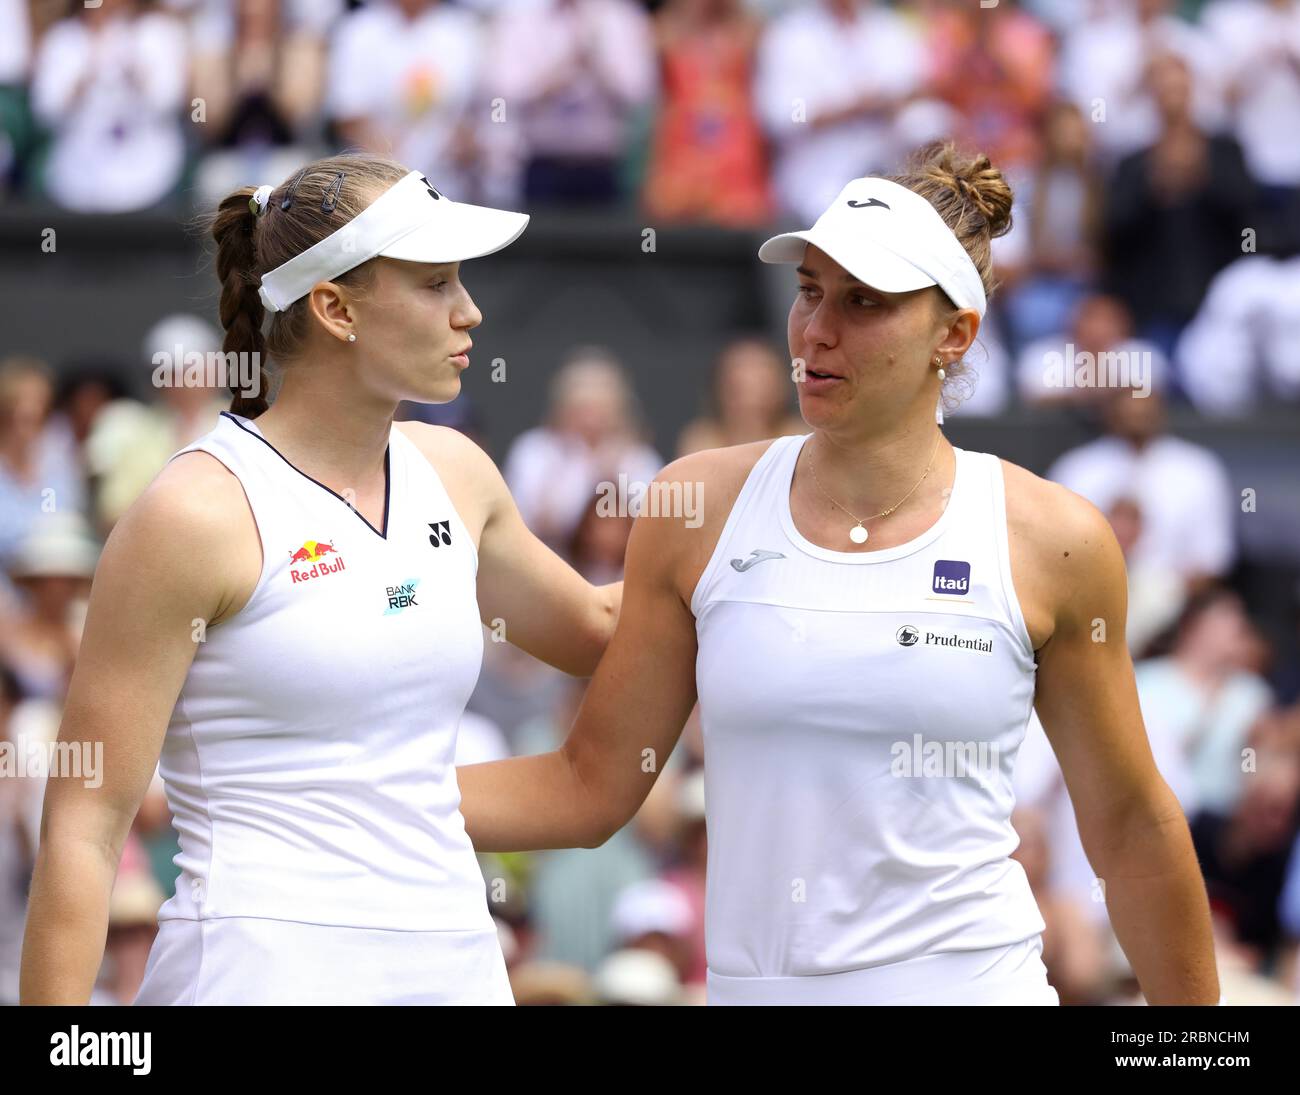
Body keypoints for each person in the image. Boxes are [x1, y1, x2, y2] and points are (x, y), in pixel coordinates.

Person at [456, 141, 1221, 1005]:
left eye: (865, 302)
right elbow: (588, 785)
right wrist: (340, 792)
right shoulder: (693, 506)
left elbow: (1129, 825)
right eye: (811, 291)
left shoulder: (1056, 539)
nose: (818, 330)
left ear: (956, 334)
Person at [20, 153, 622, 1006]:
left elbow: (598, 627)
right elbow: (85, 824)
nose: (471, 311)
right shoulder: (194, 513)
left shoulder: (456, 472)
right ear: (336, 308)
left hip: (458, 974)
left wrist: (787, 500)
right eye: (436, 283)